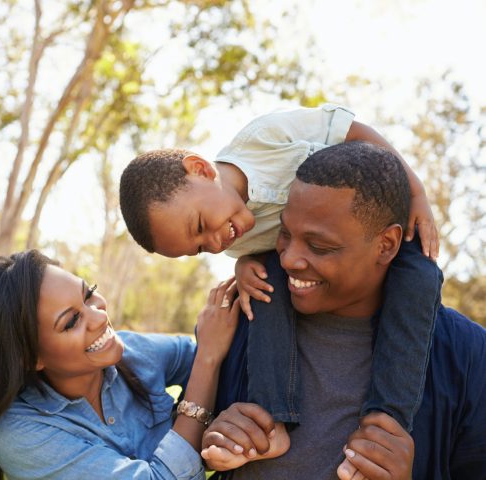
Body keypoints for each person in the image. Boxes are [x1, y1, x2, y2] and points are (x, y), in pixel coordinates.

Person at [119, 104, 442, 467]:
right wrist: (244, 265)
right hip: (308, 264)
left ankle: (385, 425)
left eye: (199, 226)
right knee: (264, 290)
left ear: (201, 169)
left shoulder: (264, 138)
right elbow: (264, 252)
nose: (213, 244)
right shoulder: (235, 238)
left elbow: (355, 132)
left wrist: (415, 192)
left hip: (373, 228)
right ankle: (270, 418)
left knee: (422, 278)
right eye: (197, 248)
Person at [200, 142, 486, 479]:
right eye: (285, 233)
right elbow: (182, 438)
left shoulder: (466, 355)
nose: (289, 259)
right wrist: (214, 441)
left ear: (387, 245)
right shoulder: (245, 316)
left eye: (320, 246)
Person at [0, 250, 242, 479]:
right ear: (30, 357)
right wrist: (207, 361)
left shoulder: (133, 353)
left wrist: (247, 269)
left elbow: (228, 358)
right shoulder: (19, 433)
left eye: (88, 294)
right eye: (72, 321)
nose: (99, 317)